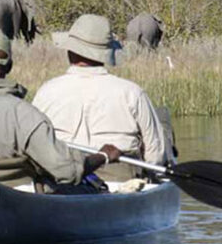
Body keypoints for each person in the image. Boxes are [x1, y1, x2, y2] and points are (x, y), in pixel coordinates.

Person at [0, 27, 122, 194]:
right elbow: (66, 172)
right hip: (12, 203)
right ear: (9, 66)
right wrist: (102, 156)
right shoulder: (26, 115)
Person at [32, 14, 168, 183]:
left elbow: (33, 145)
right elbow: (156, 153)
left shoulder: (46, 91)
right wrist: (152, 177)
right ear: (107, 53)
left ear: (70, 51)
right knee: (164, 120)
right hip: (120, 177)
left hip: (61, 177)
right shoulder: (132, 92)